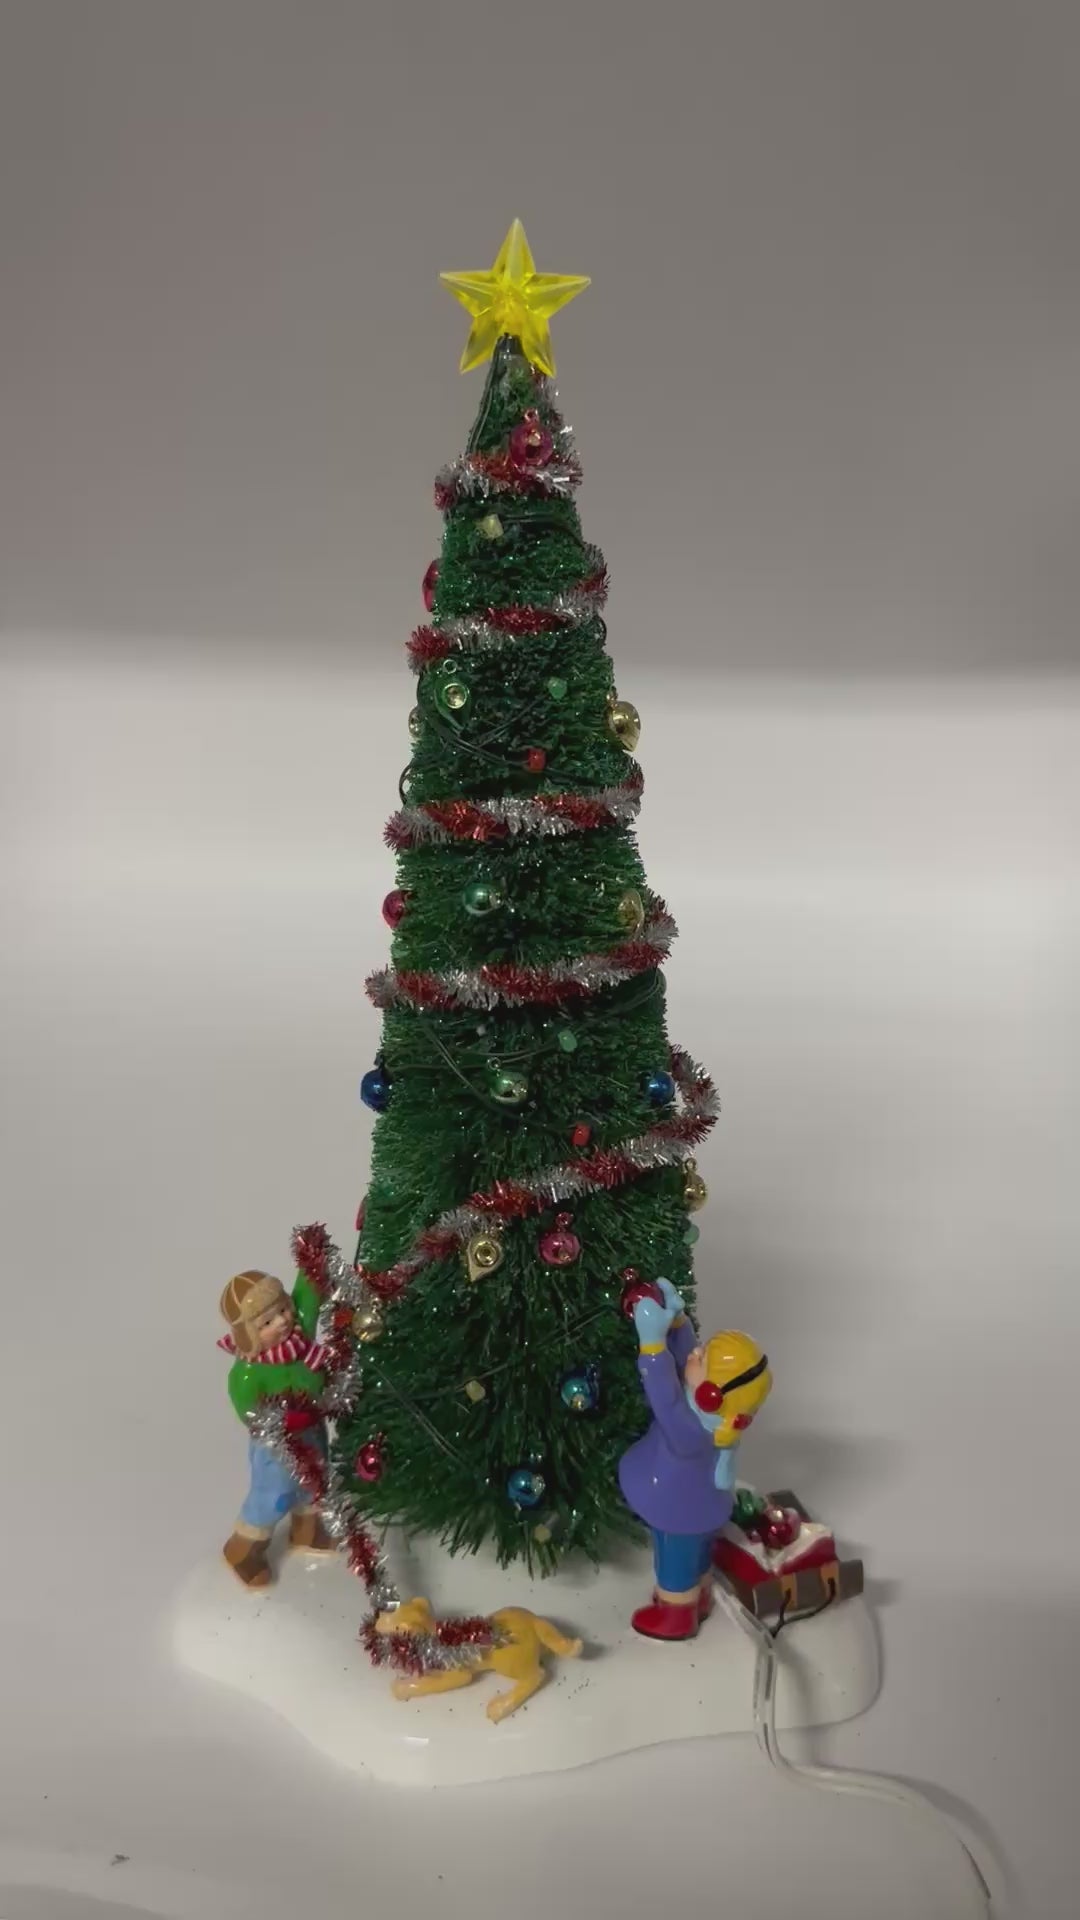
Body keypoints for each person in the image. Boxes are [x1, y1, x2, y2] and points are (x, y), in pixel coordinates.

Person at [618, 1279, 772, 1640]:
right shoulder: (715, 1419)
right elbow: (686, 1361)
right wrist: (679, 1323)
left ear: (711, 1395)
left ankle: (676, 1614)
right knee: (698, 1557)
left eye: (703, 1359)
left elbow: (665, 1397)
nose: (695, 1353)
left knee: (674, 1562)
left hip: (677, 1511)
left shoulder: (691, 1432)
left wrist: (652, 1346)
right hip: (703, 1508)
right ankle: (700, 1594)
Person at [218, 1268, 336, 1588]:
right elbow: (246, 1406)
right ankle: (243, 1549)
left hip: (311, 1426)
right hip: (276, 1443)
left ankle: (307, 1530)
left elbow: (308, 1295)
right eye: (267, 1322)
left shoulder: (301, 1335)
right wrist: (273, 1423)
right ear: (248, 1334)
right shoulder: (249, 1370)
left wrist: (312, 1259)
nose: (282, 1322)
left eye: (283, 1309)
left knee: (315, 1479)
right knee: (275, 1493)